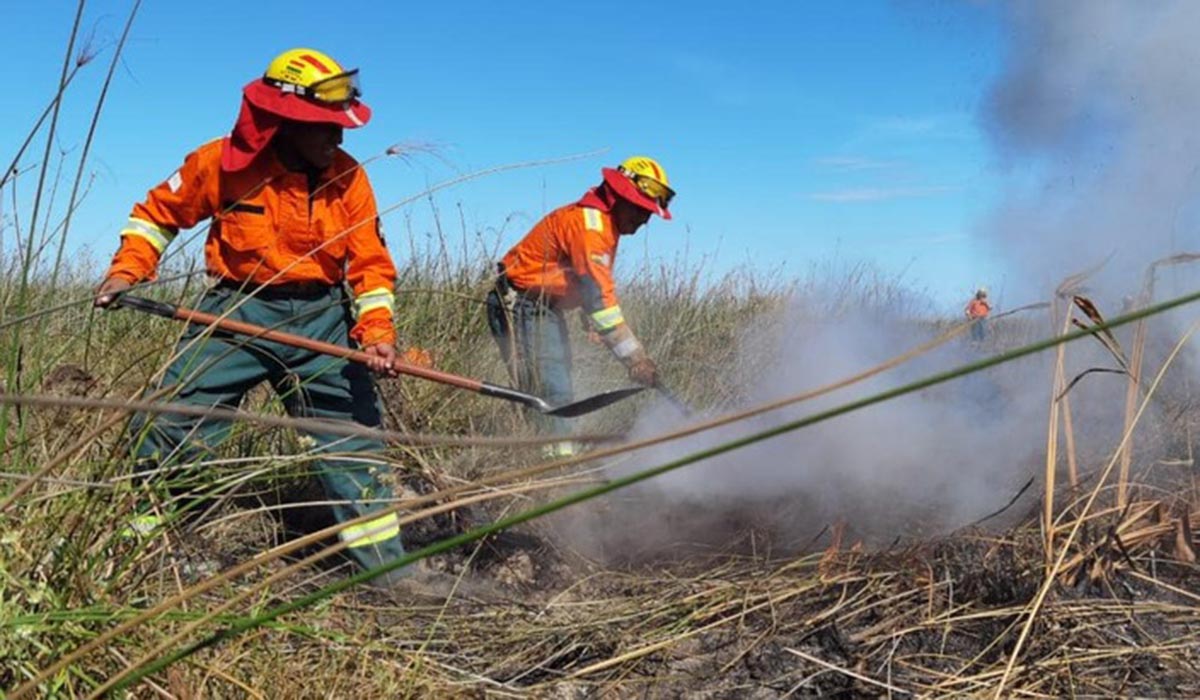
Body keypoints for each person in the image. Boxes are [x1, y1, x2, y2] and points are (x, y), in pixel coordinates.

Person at [94, 48, 409, 582]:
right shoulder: (218, 163)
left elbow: (371, 264)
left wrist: (377, 332)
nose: (339, 139)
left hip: (323, 321)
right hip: (234, 314)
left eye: (340, 128)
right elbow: (156, 215)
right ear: (284, 122)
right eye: (325, 128)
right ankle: (137, 556)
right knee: (175, 427)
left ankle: (392, 578)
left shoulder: (350, 176)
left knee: (354, 446)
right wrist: (129, 269)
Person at [486, 157, 673, 457]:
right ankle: (555, 470)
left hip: (542, 306)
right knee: (551, 388)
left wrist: (588, 314)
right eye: (640, 210)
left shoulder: (601, 223)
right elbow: (601, 302)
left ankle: (555, 456)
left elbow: (584, 285)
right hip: (522, 303)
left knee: (555, 384)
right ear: (617, 198)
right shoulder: (591, 228)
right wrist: (635, 359)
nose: (644, 220)